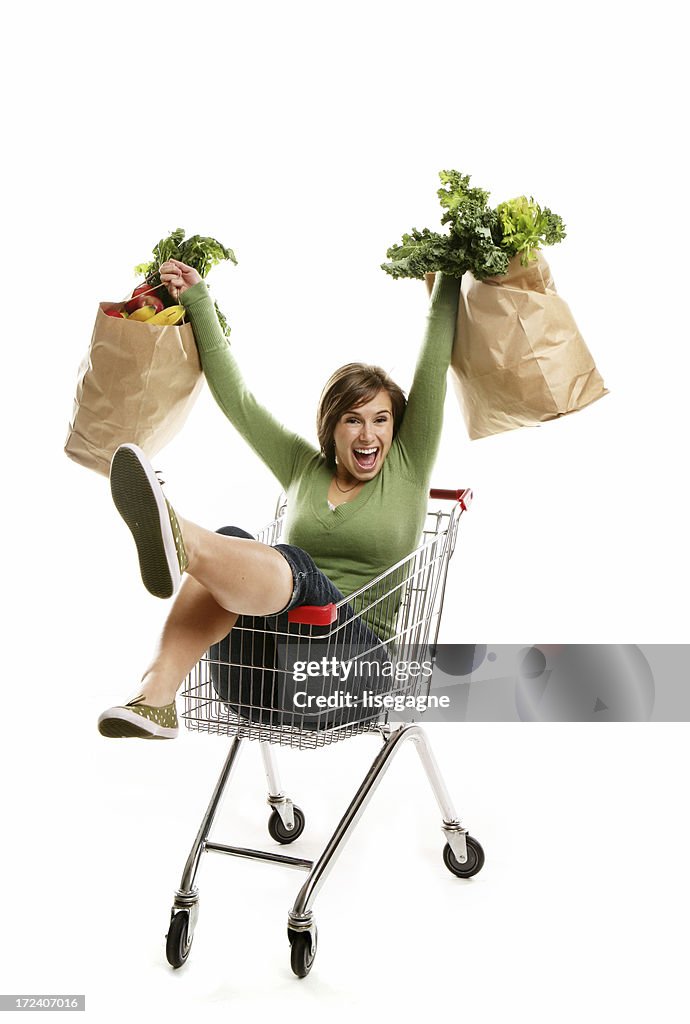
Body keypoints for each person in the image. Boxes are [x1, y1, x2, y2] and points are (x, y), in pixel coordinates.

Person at [97, 259, 460, 739]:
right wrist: (196, 300)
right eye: (353, 419)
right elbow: (238, 401)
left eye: (380, 419)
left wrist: (451, 268)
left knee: (296, 566)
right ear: (332, 427)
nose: (368, 433)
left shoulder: (408, 467)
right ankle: (157, 696)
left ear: (396, 427)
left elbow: (434, 356)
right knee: (233, 543)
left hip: (350, 676)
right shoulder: (303, 469)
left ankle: (179, 536)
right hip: (263, 678)